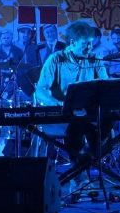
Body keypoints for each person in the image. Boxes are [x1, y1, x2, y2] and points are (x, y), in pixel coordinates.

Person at [35, 20, 109, 162]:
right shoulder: (55, 59)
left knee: (111, 118)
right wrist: (57, 103)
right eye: (85, 44)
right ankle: (81, 165)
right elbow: (40, 91)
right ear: (73, 42)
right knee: (79, 125)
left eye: (91, 43)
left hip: (88, 113)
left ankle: (88, 159)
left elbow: (106, 85)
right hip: (63, 114)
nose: (90, 47)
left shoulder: (94, 59)